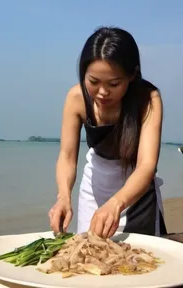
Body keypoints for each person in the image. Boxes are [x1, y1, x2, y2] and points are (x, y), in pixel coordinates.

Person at [48, 26, 167, 239]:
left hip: (136, 195)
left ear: (132, 75)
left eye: (114, 83)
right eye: (93, 81)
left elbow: (146, 165)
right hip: (94, 190)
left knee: (140, 263)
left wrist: (116, 203)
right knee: (88, 259)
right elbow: (67, 157)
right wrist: (63, 196)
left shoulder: (148, 100)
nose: (102, 92)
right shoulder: (76, 98)